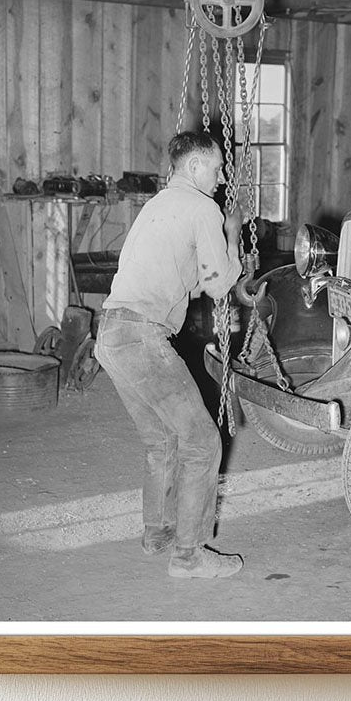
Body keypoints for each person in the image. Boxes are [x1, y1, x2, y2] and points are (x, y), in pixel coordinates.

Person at [95, 131, 244, 578]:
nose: (221, 178)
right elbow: (218, 284)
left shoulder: (157, 205)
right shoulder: (203, 208)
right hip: (143, 339)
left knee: (161, 442)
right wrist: (232, 237)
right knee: (202, 442)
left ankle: (156, 534)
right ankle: (188, 557)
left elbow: (186, 279)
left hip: (112, 334)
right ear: (196, 167)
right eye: (217, 168)